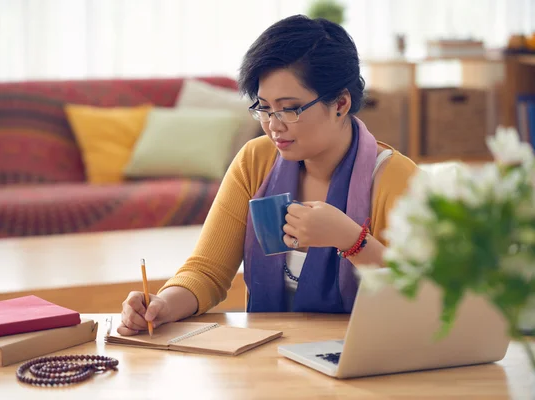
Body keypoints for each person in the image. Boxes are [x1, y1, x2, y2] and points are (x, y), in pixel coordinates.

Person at [118, 14, 417, 335]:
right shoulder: (255, 161)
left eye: (289, 108)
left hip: (363, 363)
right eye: (263, 107)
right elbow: (207, 271)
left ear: (341, 103)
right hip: (267, 359)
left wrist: (352, 241)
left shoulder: (397, 179)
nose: (274, 124)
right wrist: (163, 305)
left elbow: (427, 301)